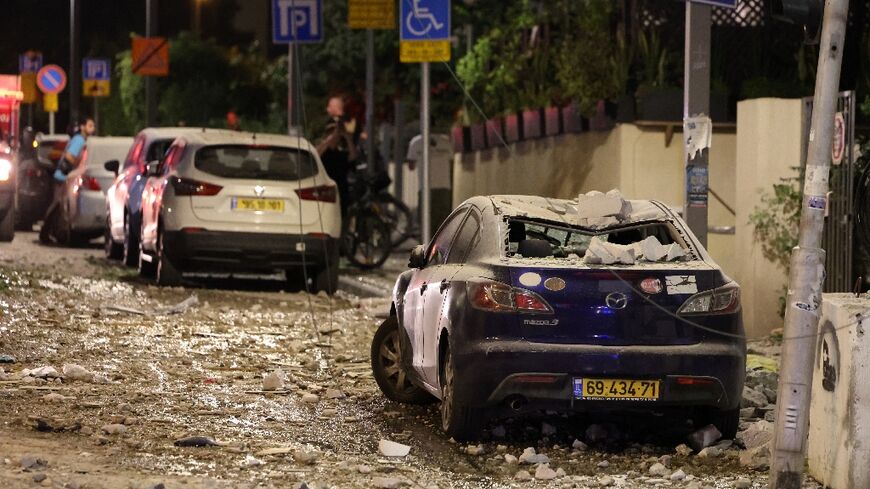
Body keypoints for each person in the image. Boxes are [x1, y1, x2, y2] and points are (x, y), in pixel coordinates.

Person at [39, 117, 95, 244]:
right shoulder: (79, 140)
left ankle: (49, 233)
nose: (93, 129)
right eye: (90, 125)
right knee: (57, 205)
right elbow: (69, 158)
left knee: (58, 206)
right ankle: (45, 233)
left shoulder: (80, 139)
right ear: (82, 127)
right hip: (63, 177)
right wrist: (69, 174)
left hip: (64, 176)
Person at [316, 96, 358, 217]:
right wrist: (333, 135)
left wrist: (347, 137)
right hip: (326, 195)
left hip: (341, 193)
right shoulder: (325, 152)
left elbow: (352, 156)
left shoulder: (341, 153)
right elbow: (318, 152)